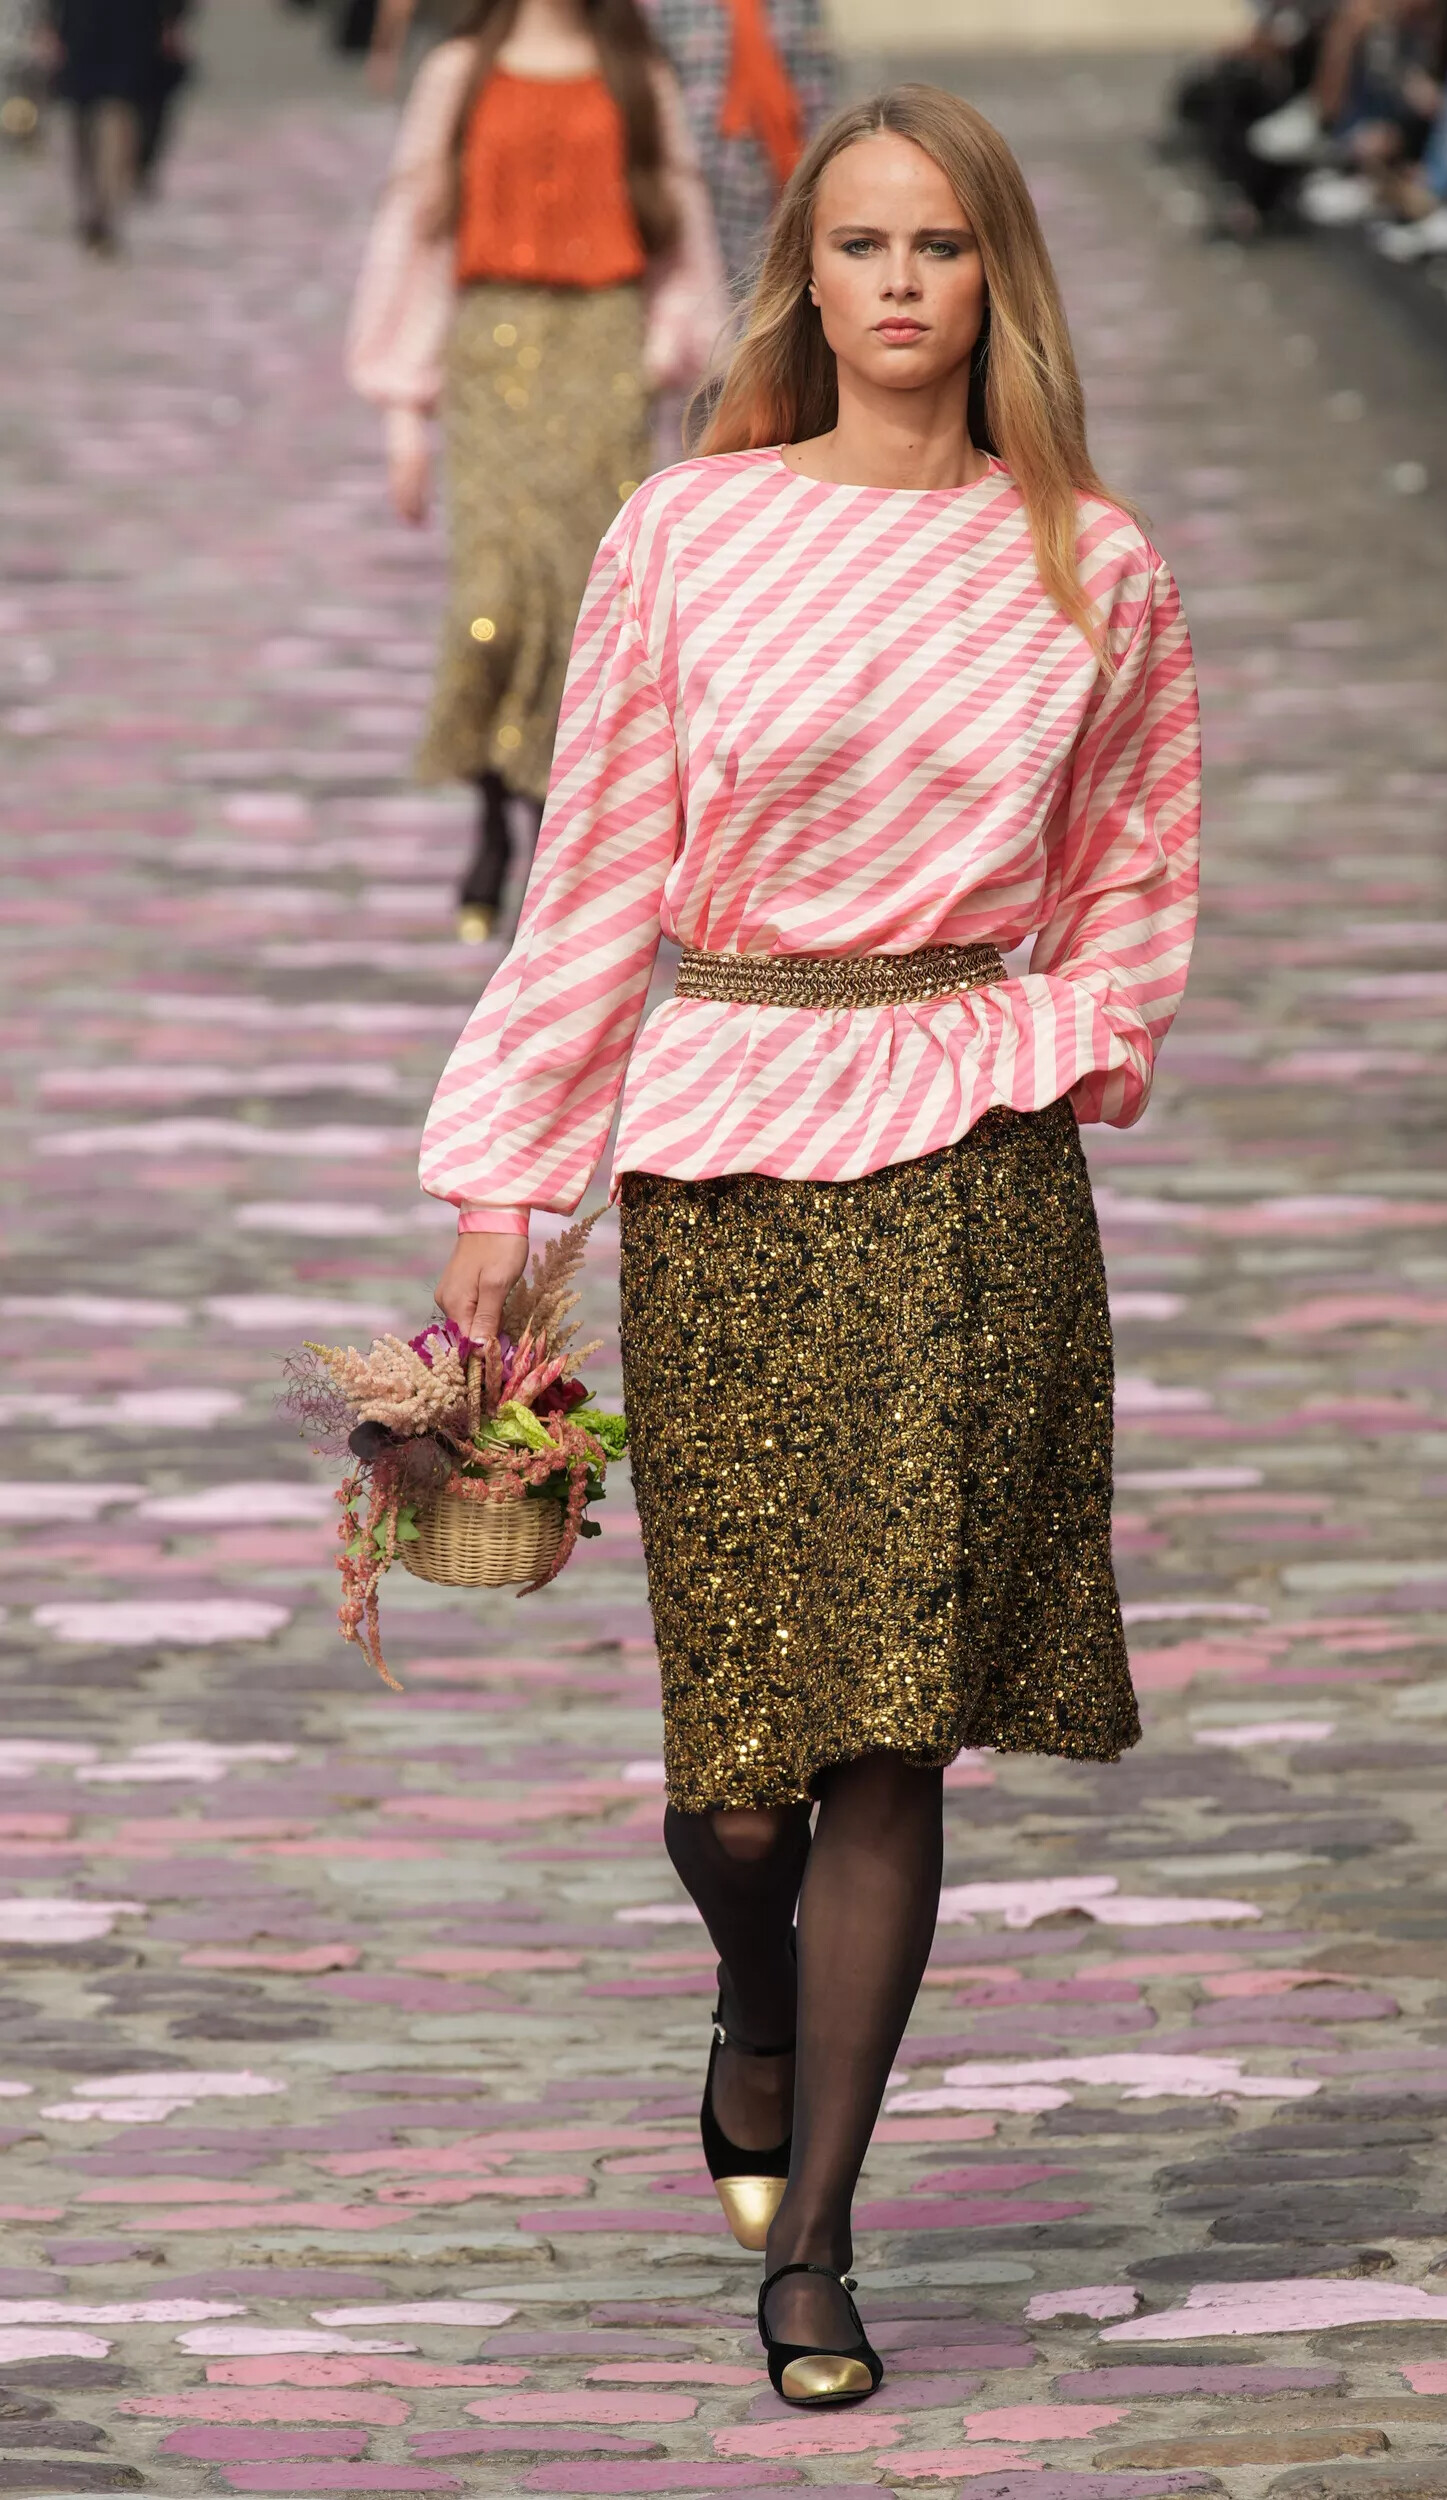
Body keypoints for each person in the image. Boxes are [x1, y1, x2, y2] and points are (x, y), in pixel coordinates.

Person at [421, 83, 1200, 2404]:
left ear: (993, 278)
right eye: (859, 244)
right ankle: (749, 1979)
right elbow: (597, 874)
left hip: (968, 1160)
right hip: (728, 1150)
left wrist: (1058, 1038)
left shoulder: (1091, 563)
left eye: (937, 245)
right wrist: (505, 1187)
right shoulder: (691, 532)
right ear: (806, 276)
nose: (896, 283)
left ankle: (820, 2242)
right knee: (741, 1767)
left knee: (891, 1733)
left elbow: (1136, 873)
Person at [346, 0, 726, 942]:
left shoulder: (637, 75)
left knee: (583, 615)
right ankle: (492, 807)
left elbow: (681, 230)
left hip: (603, 359)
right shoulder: (459, 72)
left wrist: (668, 350)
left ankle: (555, 840)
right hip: (490, 360)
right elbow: (416, 235)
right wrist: (403, 414)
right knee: (491, 606)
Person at [644, 0, 835, 287]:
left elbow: (816, 93)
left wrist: (824, 174)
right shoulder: (658, 7)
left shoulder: (795, 6)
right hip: (695, 183)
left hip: (780, 176)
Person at [47, 0, 187, 250]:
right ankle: (100, 204)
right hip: (100, 21)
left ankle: (103, 206)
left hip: (122, 22)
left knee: (110, 113)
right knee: (96, 115)